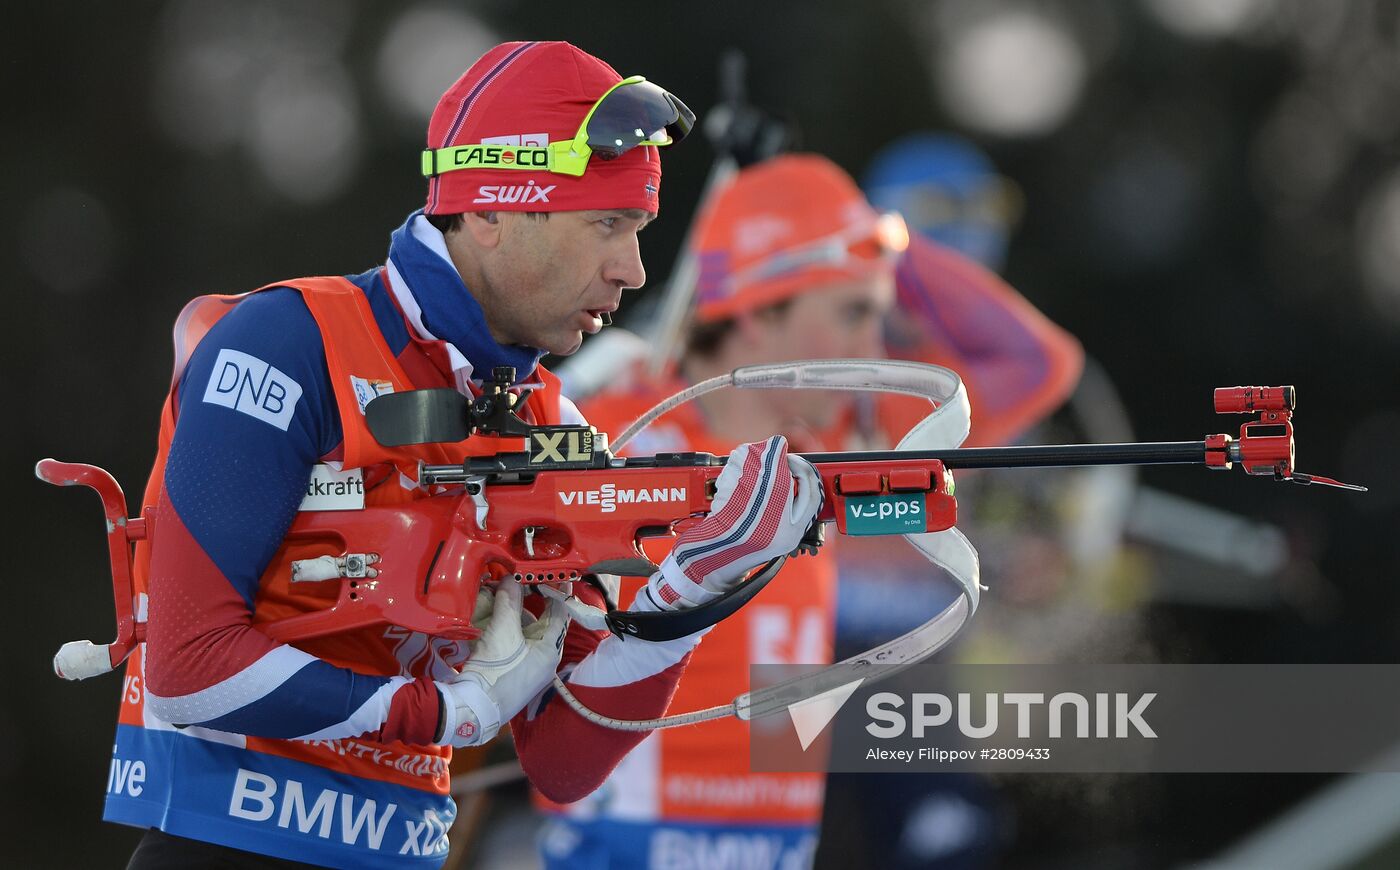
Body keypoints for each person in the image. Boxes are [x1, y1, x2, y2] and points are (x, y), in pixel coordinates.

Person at [103, 41, 819, 869]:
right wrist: (445, 715)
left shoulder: (551, 421)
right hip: (230, 848)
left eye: (639, 229)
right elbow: (187, 669)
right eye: (607, 225)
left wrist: (690, 589)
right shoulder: (288, 343)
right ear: (489, 211)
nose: (631, 270)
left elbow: (564, 760)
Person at [536, 153, 1082, 868]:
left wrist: (892, 240)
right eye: (854, 313)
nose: (871, 348)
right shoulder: (608, 430)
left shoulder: (848, 441)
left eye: (878, 315)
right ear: (760, 312)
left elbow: (1038, 364)